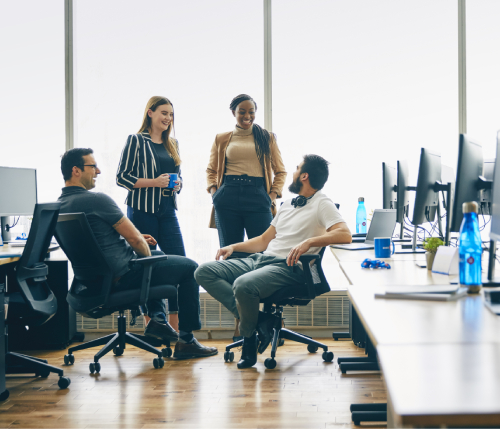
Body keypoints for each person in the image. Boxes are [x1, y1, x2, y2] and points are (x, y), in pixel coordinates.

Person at [59, 148, 217, 359]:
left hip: (92, 283)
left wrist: (138, 240)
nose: (97, 171)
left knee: (150, 250)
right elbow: (135, 240)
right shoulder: (96, 200)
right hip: (123, 276)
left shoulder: (59, 206)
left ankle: (157, 321)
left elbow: (95, 240)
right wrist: (141, 247)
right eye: (92, 166)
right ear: (76, 170)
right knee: (190, 268)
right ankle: (186, 340)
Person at [195, 154, 351, 369]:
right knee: (203, 271)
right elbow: (263, 240)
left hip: (288, 268)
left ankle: (249, 339)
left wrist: (310, 242)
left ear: (304, 176)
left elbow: (345, 234)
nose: (293, 172)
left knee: (243, 285)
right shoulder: (288, 204)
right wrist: (234, 247)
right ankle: (261, 321)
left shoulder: (322, 204)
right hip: (260, 259)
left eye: (297, 169)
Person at [117, 96, 184, 330]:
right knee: (150, 264)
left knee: (180, 263)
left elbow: (178, 177)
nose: (168, 118)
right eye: (164, 113)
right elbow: (122, 177)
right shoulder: (136, 140)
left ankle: (180, 327)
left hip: (167, 210)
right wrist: (154, 182)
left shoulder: (172, 144)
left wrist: (177, 185)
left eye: (171, 115)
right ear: (150, 113)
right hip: (142, 210)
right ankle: (156, 323)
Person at [206, 94, 287, 247]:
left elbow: (280, 171)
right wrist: (215, 194)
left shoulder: (266, 138)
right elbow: (211, 170)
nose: (247, 116)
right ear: (233, 113)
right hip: (227, 197)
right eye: (242, 111)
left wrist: (270, 197)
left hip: (258, 196)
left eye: (251, 112)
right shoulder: (221, 138)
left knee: (262, 252)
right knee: (230, 252)